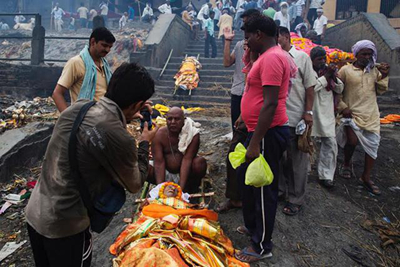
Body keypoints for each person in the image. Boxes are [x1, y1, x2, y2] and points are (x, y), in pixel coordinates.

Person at [25, 62, 158, 267]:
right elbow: (134, 183)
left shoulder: (78, 108)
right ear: (137, 104)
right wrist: (144, 142)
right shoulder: (118, 136)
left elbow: (94, 135)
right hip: (66, 227)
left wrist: (128, 114)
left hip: (36, 213)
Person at [235, 14, 291, 263]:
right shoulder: (266, 57)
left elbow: (269, 104)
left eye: (248, 37)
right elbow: (255, 91)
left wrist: (256, 141)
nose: (246, 42)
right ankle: (253, 226)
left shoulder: (273, 58)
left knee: (263, 189)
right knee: (250, 183)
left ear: (259, 34)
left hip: (267, 133)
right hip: (257, 130)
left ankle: (262, 246)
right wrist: (244, 120)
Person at [337, 40, 390, 195]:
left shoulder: (374, 71)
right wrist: (343, 107)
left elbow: (381, 91)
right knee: (352, 142)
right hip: (351, 112)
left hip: (371, 113)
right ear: (356, 54)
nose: (367, 57)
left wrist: (384, 75)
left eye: (369, 54)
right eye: (364, 53)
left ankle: (366, 177)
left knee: (372, 146)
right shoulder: (345, 70)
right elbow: (336, 91)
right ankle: (346, 163)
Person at [277, 26, 315, 215]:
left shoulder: (301, 58)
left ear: (286, 37)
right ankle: (282, 191)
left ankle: (296, 198)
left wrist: (308, 112)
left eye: (278, 38)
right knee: (280, 159)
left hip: (295, 117)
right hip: (277, 119)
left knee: (297, 161)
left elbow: (310, 87)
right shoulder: (273, 57)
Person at [52, 27, 116, 112]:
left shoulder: (105, 65)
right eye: (104, 45)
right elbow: (57, 94)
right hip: (84, 120)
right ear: (93, 42)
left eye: (110, 47)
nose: (107, 50)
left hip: (104, 118)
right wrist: (68, 120)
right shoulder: (76, 63)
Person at [148, 107, 207, 193]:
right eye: (170, 119)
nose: (173, 122)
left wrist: (181, 190)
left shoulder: (192, 134)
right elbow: (159, 162)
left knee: (199, 163)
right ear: (166, 120)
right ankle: (161, 187)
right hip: (165, 172)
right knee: (143, 167)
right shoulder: (159, 135)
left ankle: (190, 188)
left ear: (184, 120)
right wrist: (161, 189)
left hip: (185, 174)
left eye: (177, 119)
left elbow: (187, 160)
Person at [310, 46, 344, 188]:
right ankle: (304, 172)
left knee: (330, 144)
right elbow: (312, 87)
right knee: (307, 144)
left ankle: (326, 176)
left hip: (327, 112)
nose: (322, 61)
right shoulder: (309, 71)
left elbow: (340, 88)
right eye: (319, 59)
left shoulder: (329, 73)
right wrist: (326, 77)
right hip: (311, 112)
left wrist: (332, 76)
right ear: (312, 60)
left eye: (324, 58)